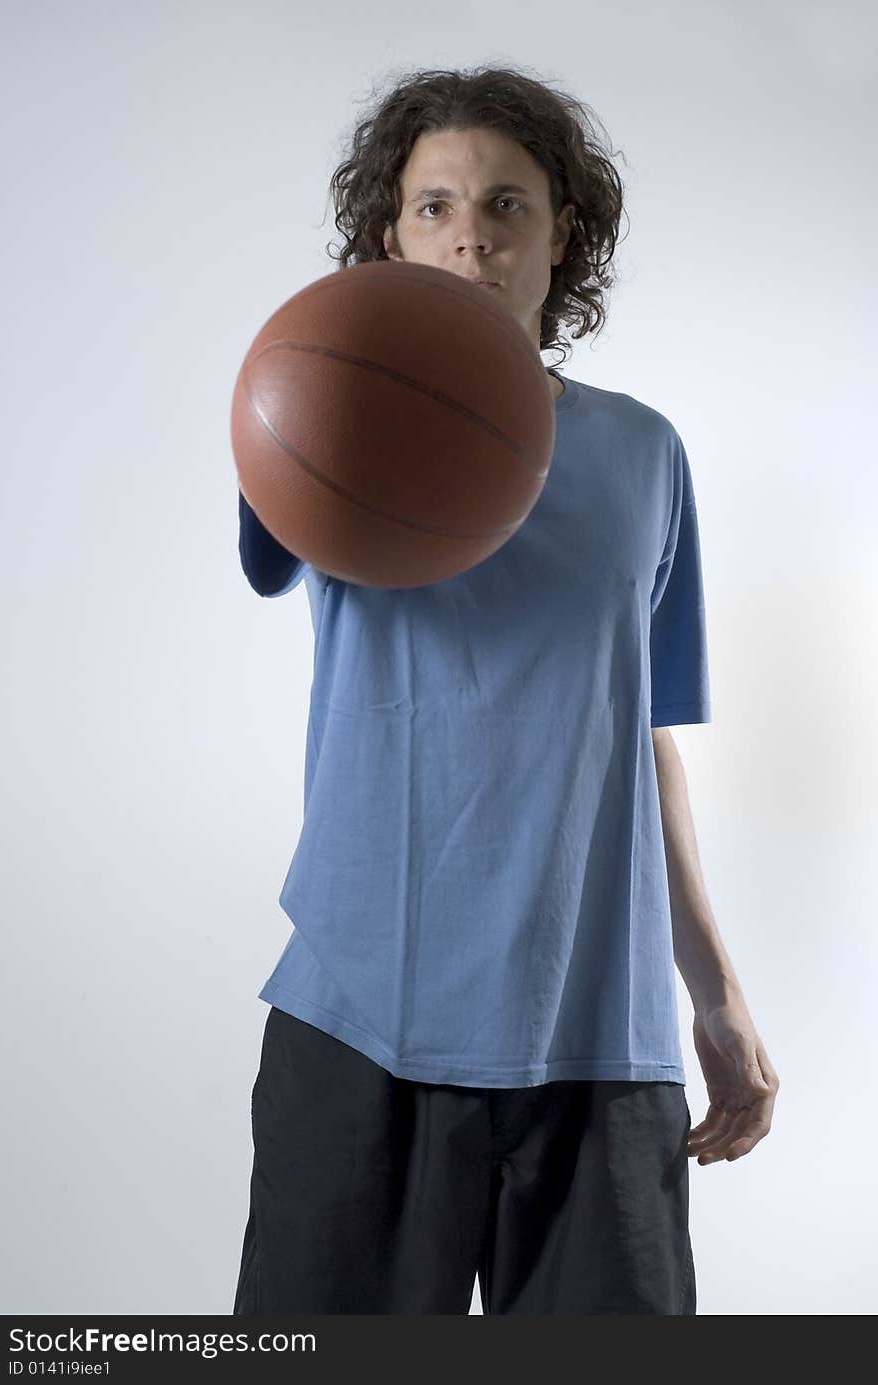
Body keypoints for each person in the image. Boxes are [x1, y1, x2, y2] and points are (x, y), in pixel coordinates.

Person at [232, 64, 779, 1316]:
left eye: (505, 205)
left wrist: (720, 994)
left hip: (597, 1032)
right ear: (388, 236)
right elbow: (276, 514)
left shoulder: (642, 452)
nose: (468, 236)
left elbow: (638, 738)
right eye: (431, 207)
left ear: (559, 235)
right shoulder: (328, 410)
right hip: (363, 1019)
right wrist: (337, 359)